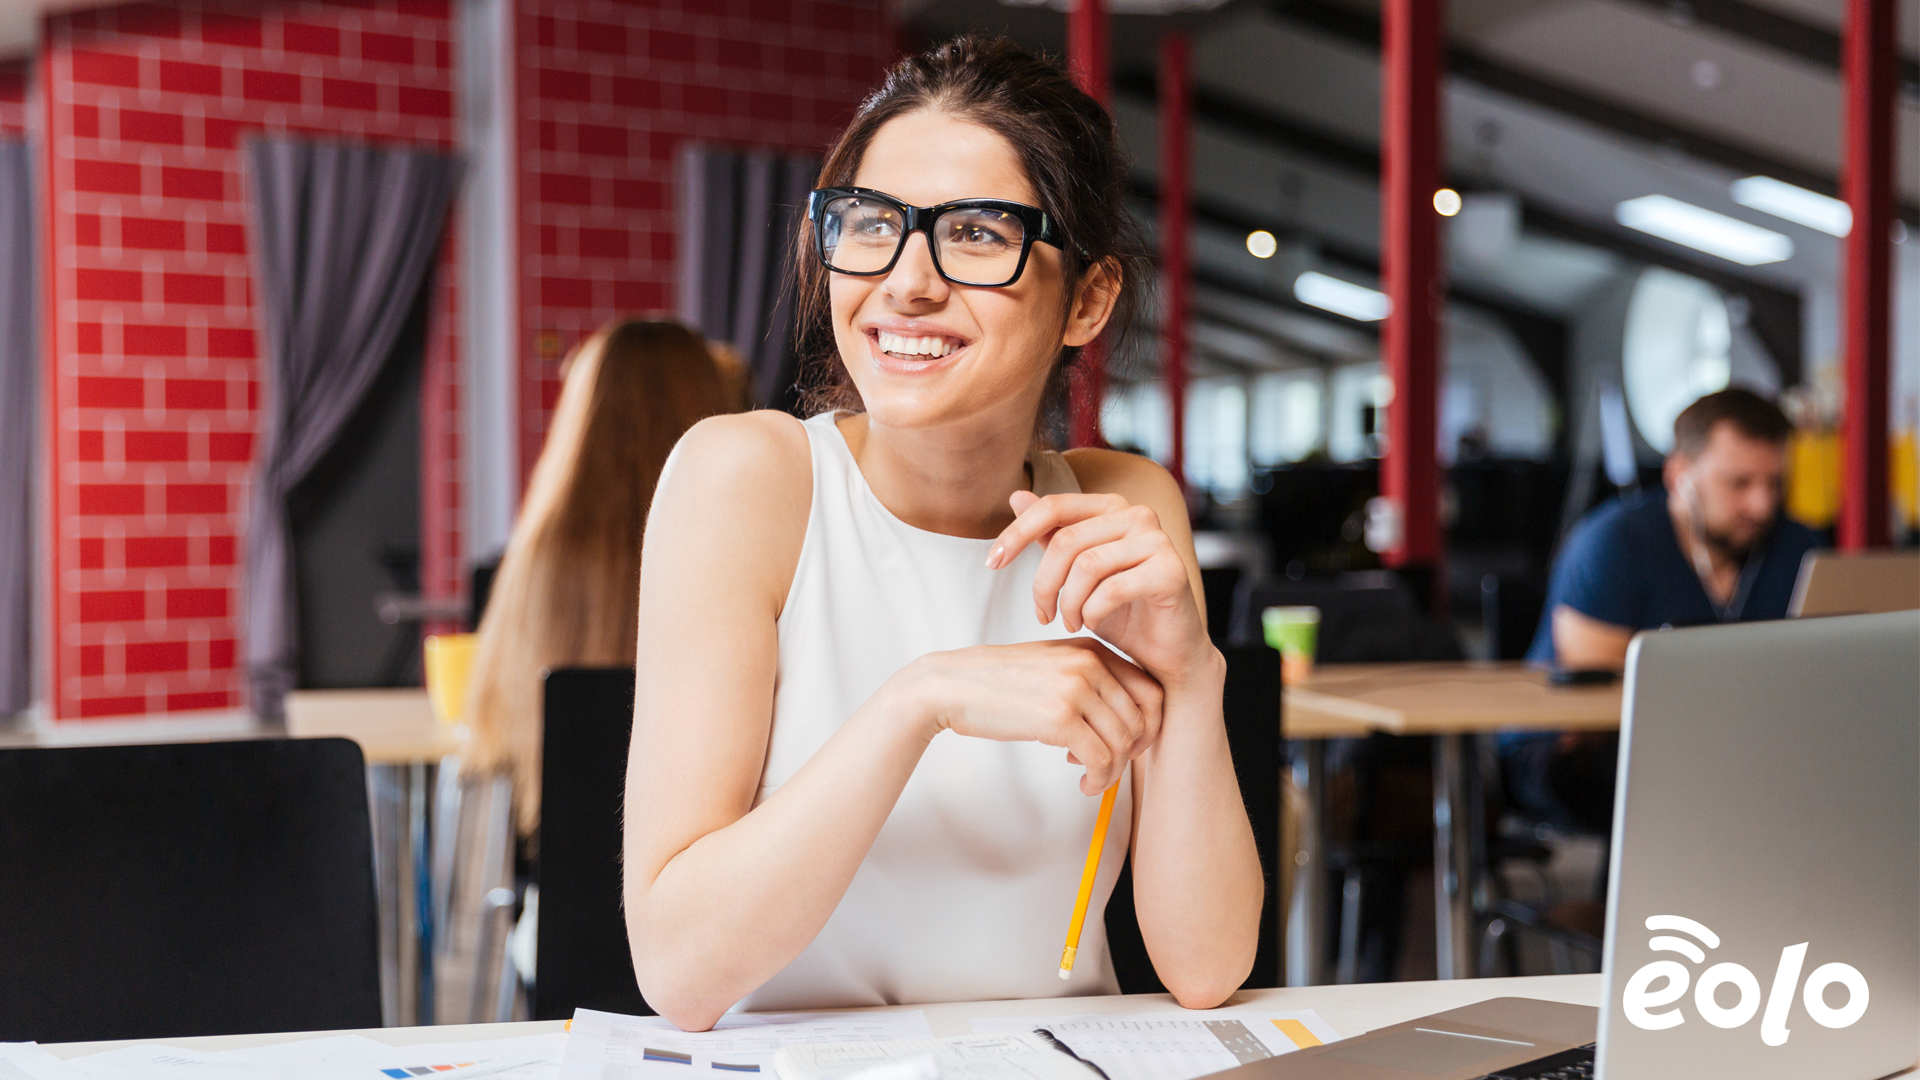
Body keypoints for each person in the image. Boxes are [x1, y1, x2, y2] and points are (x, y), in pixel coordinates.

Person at [623, 36, 1263, 1031]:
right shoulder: (745, 479)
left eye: (974, 232)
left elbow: (1206, 967)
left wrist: (1192, 676)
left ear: (1087, 300)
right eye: (872, 224)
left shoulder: (1122, 508)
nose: (906, 282)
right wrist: (920, 699)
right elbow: (679, 972)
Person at [464, 318, 737, 839]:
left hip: (557, 898)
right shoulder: (747, 549)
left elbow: (490, 737)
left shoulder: (537, 557)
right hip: (712, 885)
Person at [1507, 387, 1818, 830]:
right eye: (1739, 483)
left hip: (1733, 738)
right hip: (1572, 748)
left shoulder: (1797, 546)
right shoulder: (1613, 543)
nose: (1761, 505)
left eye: (1774, 484)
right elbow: (1600, 704)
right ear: (1680, 475)